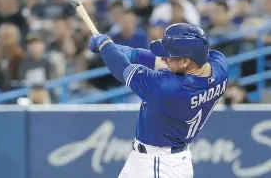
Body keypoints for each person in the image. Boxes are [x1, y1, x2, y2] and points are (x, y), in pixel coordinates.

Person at [89, 23, 228, 178]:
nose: (164, 58)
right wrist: (116, 49)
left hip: (158, 164)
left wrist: (106, 46)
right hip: (168, 159)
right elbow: (161, 61)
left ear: (185, 62)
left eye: (169, 55)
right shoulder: (220, 67)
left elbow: (122, 69)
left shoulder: (169, 88)